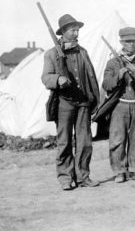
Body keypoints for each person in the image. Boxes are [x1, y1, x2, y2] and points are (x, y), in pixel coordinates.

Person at [41, 14, 100, 190]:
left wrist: (94, 101)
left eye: (77, 29)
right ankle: (65, 178)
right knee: (64, 141)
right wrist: (58, 79)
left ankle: (83, 177)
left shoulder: (82, 52)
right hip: (64, 103)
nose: (76, 33)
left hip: (83, 103)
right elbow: (45, 77)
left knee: (85, 142)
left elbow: (91, 77)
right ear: (64, 32)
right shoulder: (51, 54)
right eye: (73, 30)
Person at [102, 27, 135, 182]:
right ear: (121, 42)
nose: (131, 44)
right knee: (117, 140)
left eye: (134, 41)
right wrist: (119, 75)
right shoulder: (113, 63)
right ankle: (119, 171)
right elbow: (106, 84)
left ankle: (134, 169)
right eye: (128, 41)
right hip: (119, 106)